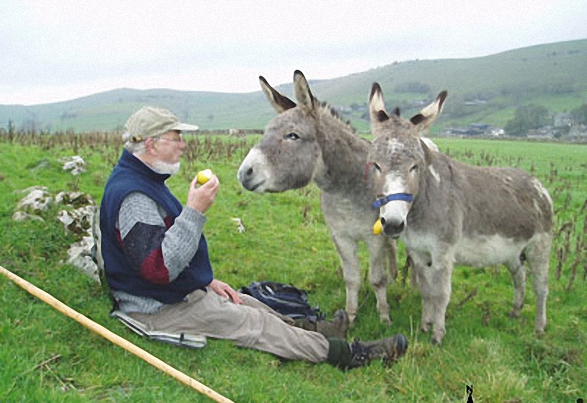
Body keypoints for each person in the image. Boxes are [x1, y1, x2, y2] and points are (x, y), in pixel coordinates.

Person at [99, 106, 408, 369]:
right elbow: (159, 268)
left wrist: (204, 282)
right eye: (175, 137)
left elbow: (161, 255)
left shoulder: (145, 179)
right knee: (255, 325)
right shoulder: (134, 196)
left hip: (173, 291)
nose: (182, 145)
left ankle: (316, 330)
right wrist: (195, 210)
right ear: (152, 144)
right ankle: (351, 354)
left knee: (247, 301)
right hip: (155, 308)